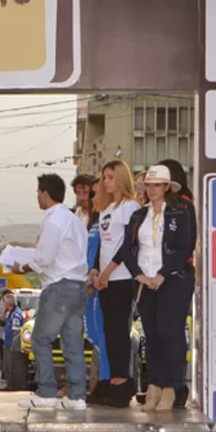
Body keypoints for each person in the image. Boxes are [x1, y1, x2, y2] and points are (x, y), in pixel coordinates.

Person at [120, 165, 196, 412]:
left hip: (173, 280)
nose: (151, 190)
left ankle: (171, 388)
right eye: (148, 186)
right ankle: (153, 385)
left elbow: (185, 246)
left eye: (156, 185)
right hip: (145, 282)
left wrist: (163, 274)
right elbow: (127, 249)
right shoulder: (138, 216)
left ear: (166, 187)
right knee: (151, 335)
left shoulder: (181, 212)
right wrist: (139, 275)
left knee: (170, 334)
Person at [12, 174, 89, 410]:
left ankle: (46, 392)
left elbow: (44, 257)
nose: (37, 196)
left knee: (40, 338)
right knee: (72, 342)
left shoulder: (53, 220)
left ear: (45, 193)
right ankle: (77, 396)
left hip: (58, 285)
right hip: (78, 285)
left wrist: (22, 266)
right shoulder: (74, 219)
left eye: (38, 192)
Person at [90, 159, 141, 407]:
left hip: (122, 278)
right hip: (106, 279)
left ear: (121, 178)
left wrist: (109, 271)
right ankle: (114, 382)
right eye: (104, 177)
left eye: (110, 177)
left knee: (120, 331)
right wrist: (96, 270)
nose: (106, 182)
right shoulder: (106, 210)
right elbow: (104, 243)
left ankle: (122, 383)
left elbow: (128, 245)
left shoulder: (131, 207)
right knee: (109, 332)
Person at [156, 158, 196, 408]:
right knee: (161, 332)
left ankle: (178, 386)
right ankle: (162, 384)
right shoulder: (156, 207)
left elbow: (186, 243)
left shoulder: (185, 205)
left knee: (174, 331)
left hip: (179, 273)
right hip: (158, 274)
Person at [84, 178, 112, 405]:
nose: (91, 199)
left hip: (108, 283)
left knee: (106, 335)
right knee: (95, 335)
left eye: (95, 193)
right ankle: (101, 382)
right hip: (92, 283)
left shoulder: (112, 217)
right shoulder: (95, 220)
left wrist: (101, 275)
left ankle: (107, 383)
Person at [2, 293, 28, 391]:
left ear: (9, 303)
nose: (4, 304)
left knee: (10, 365)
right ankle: (9, 384)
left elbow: (16, 330)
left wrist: (13, 344)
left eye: (4, 302)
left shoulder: (16, 314)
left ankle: (11, 385)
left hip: (12, 344)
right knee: (7, 365)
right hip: (8, 342)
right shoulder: (11, 313)